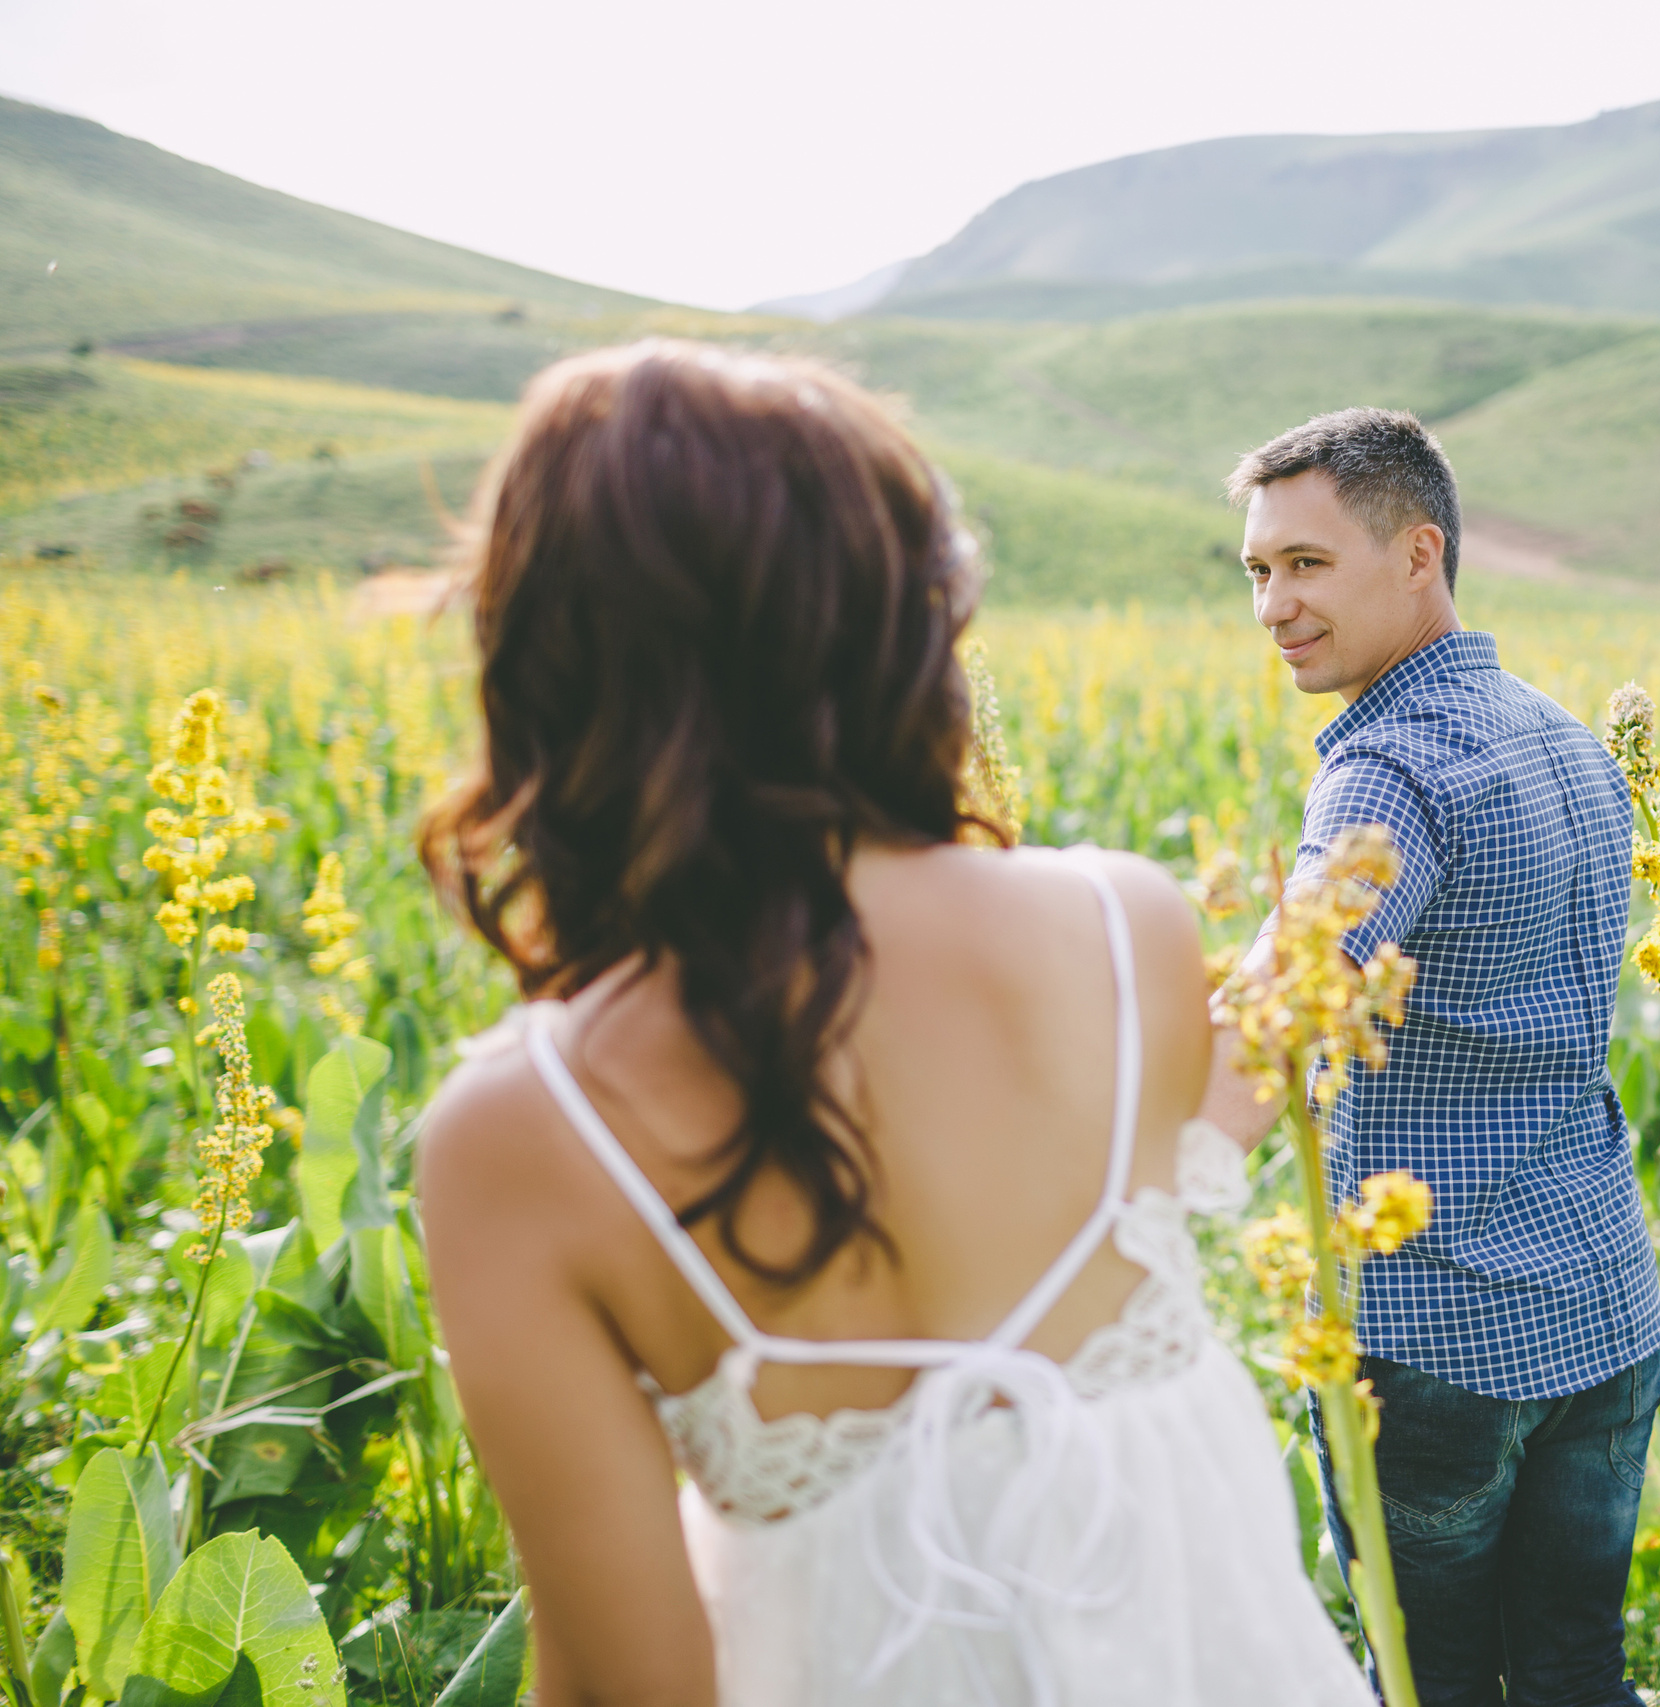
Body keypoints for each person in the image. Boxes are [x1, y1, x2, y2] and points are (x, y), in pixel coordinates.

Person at [414, 341, 1370, 1707]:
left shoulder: (518, 1135)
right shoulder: (1126, 925)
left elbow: (630, 1683)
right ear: (913, 624)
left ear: (547, 657)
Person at [1202, 408, 1660, 1707]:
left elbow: (1279, 1024)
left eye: (1306, 564)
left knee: (1432, 1686)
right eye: (1257, 571)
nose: (1273, 606)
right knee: (1578, 1674)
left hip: (1441, 1339)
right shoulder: (1565, 737)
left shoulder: (1387, 769)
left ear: (1419, 552)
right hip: (1605, 1313)